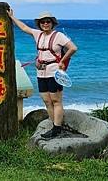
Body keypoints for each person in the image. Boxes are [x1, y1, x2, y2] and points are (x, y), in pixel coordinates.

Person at [8, 9, 77, 139]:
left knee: (56, 100)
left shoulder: (58, 36)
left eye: (48, 21)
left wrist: (62, 61)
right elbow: (23, 28)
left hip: (54, 71)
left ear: (52, 23)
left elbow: (73, 48)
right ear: (39, 24)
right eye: (42, 22)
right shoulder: (37, 34)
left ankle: (57, 128)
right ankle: (54, 125)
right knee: (46, 100)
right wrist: (12, 17)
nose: (45, 24)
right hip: (41, 72)